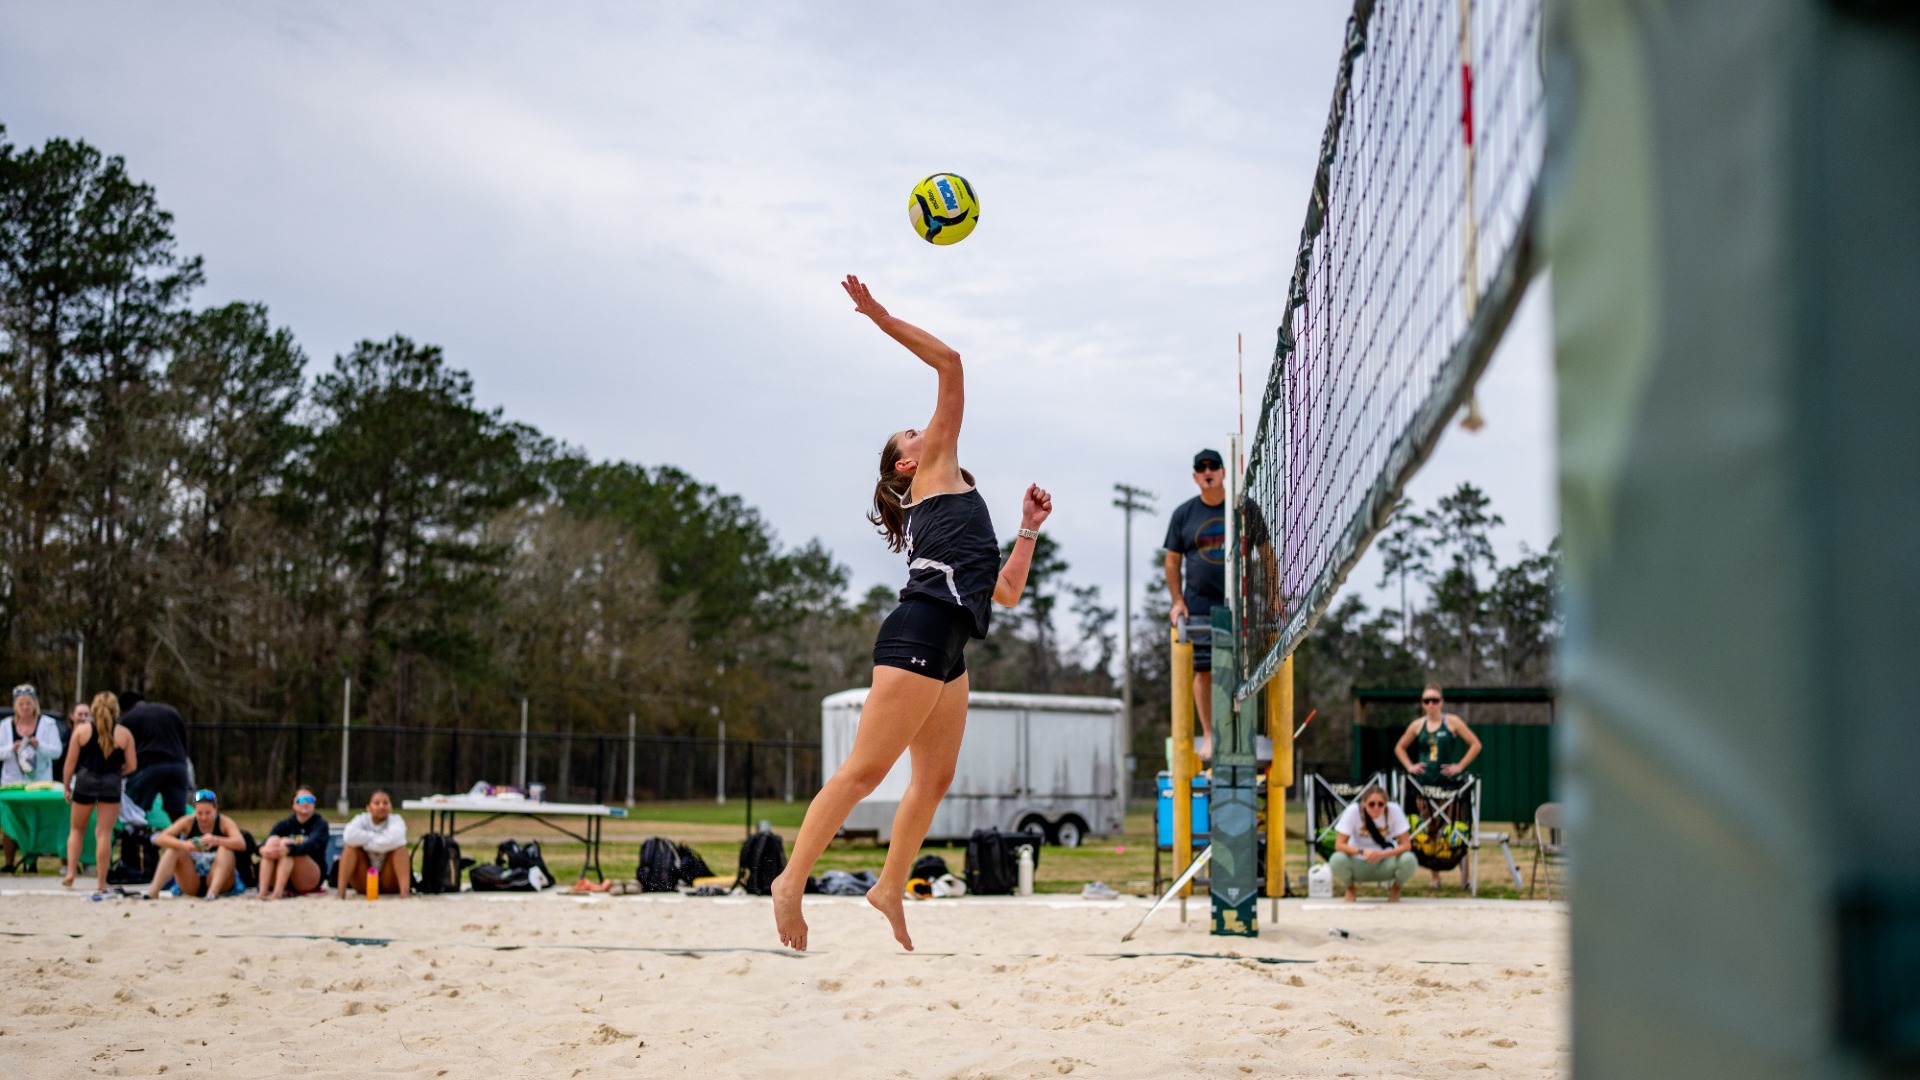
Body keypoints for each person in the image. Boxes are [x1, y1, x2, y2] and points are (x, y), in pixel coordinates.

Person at [770, 275, 1052, 953]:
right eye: (913, 433)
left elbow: (1005, 593)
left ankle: (889, 888)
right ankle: (789, 881)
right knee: (864, 773)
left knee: (935, 778)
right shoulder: (932, 472)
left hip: (951, 644)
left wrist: (1028, 528)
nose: (926, 429)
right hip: (919, 630)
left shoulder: (958, 495)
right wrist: (878, 315)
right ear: (905, 465)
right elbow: (950, 363)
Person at [1164, 449, 1228, 760]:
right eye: (1201, 468)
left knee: (1240, 670)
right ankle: (1210, 734)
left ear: (1223, 472)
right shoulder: (1184, 514)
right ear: (1195, 476)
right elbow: (1172, 561)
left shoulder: (1241, 509)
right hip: (1199, 605)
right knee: (1203, 672)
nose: (1207, 472)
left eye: (1213, 466)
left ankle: (1236, 728)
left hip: (1237, 604)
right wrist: (1177, 601)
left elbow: (1266, 551)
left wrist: (1272, 598)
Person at [1394, 683, 1484, 887]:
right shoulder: (1417, 725)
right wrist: (1410, 766)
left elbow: (1476, 744)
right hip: (1424, 787)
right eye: (1427, 701)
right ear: (1422, 704)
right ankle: (1435, 878)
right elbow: (1399, 747)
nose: (1431, 704)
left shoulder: (1452, 722)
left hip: (1448, 787)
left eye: (1434, 700)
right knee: (1430, 831)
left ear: (1441, 702)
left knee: (1455, 831)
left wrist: (1459, 766)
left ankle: (1466, 878)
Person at [60, 692, 137, 892]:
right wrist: (118, 772)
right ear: (115, 709)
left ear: (94, 709)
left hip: (86, 779)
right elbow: (132, 765)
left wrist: (66, 785)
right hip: (111, 782)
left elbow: (70, 762)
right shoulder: (124, 733)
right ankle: (101, 881)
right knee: (103, 833)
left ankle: (70, 873)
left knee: (77, 830)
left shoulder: (82, 731)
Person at [1, 684, 65, 872]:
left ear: (34, 704)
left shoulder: (48, 724)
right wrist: (11, 749)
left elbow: (57, 751)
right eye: (21, 704)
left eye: (28, 703)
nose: (25, 707)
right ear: (15, 705)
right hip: (12, 783)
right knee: (11, 821)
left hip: (38, 782)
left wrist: (40, 746)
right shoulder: (5, 725)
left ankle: (32, 862)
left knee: (36, 822)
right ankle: (9, 863)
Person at [146, 789, 246, 899]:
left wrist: (216, 840)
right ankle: (153, 891)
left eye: (208, 813)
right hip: (192, 878)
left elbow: (241, 843)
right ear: (194, 810)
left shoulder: (224, 822)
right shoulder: (188, 821)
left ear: (215, 809)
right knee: (174, 849)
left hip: (219, 878)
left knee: (225, 850)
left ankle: (212, 893)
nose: (204, 818)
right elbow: (161, 838)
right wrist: (184, 845)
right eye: (199, 813)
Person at [1329, 782, 1418, 901]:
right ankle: (1350, 888)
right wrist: (1362, 852)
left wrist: (1383, 854)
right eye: (1371, 804)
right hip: (1358, 862)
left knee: (1409, 859)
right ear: (1363, 803)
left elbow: (1406, 845)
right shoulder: (1352, 811)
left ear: (1386, 804)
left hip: (1386, 862)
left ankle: (1396, 888)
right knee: (1337, 859)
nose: (1376, 808)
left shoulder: (1394, 810)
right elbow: (1339, 845)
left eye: (1380, 804)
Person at [118, 694, 192, 826]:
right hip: (177, 766)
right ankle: (182, 836)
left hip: (148, 766)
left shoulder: (130, 717)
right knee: (178, 813)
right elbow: (183, 741)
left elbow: (124, 747)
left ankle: (132, 837)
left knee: (134, 808)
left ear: (125, 708)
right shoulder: (171, 711)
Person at [259, 786, 329, 900]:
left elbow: (313, 846)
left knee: (286, 846)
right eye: (301, 800)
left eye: (310, 800)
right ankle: (262, 892)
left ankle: (277, 893)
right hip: (285, 876)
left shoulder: (320, 824)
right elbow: (264, 842)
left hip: (310, 876)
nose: (306, 803)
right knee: (271, 844)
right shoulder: (285, 824)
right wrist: (262, 849)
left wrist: (290, 848)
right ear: (293, 805)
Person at [337, 790, 409, 899]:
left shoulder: (396, 820)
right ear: (368, 807)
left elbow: (396, 839)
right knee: (349, 849)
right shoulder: (361, 819)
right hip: (364, 878)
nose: (381, 806)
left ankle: (405, 894)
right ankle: (340, 894)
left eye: (385, 803)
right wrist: (379, 838)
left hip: (389, 879)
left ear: (390, 806)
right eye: (377, 803)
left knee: (401, 850)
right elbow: (348, 837)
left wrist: (365, 842)